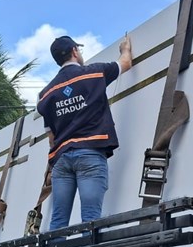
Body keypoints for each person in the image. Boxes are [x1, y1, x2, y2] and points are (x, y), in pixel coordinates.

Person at [37, 33, 133, 231]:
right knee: (90, 218)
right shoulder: (95, 73)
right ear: (74, 51)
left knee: (58, 221)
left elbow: (51, 138)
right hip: (90, 153)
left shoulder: (45, 94)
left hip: (62, 161)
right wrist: (125, 49)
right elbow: (125, 63)